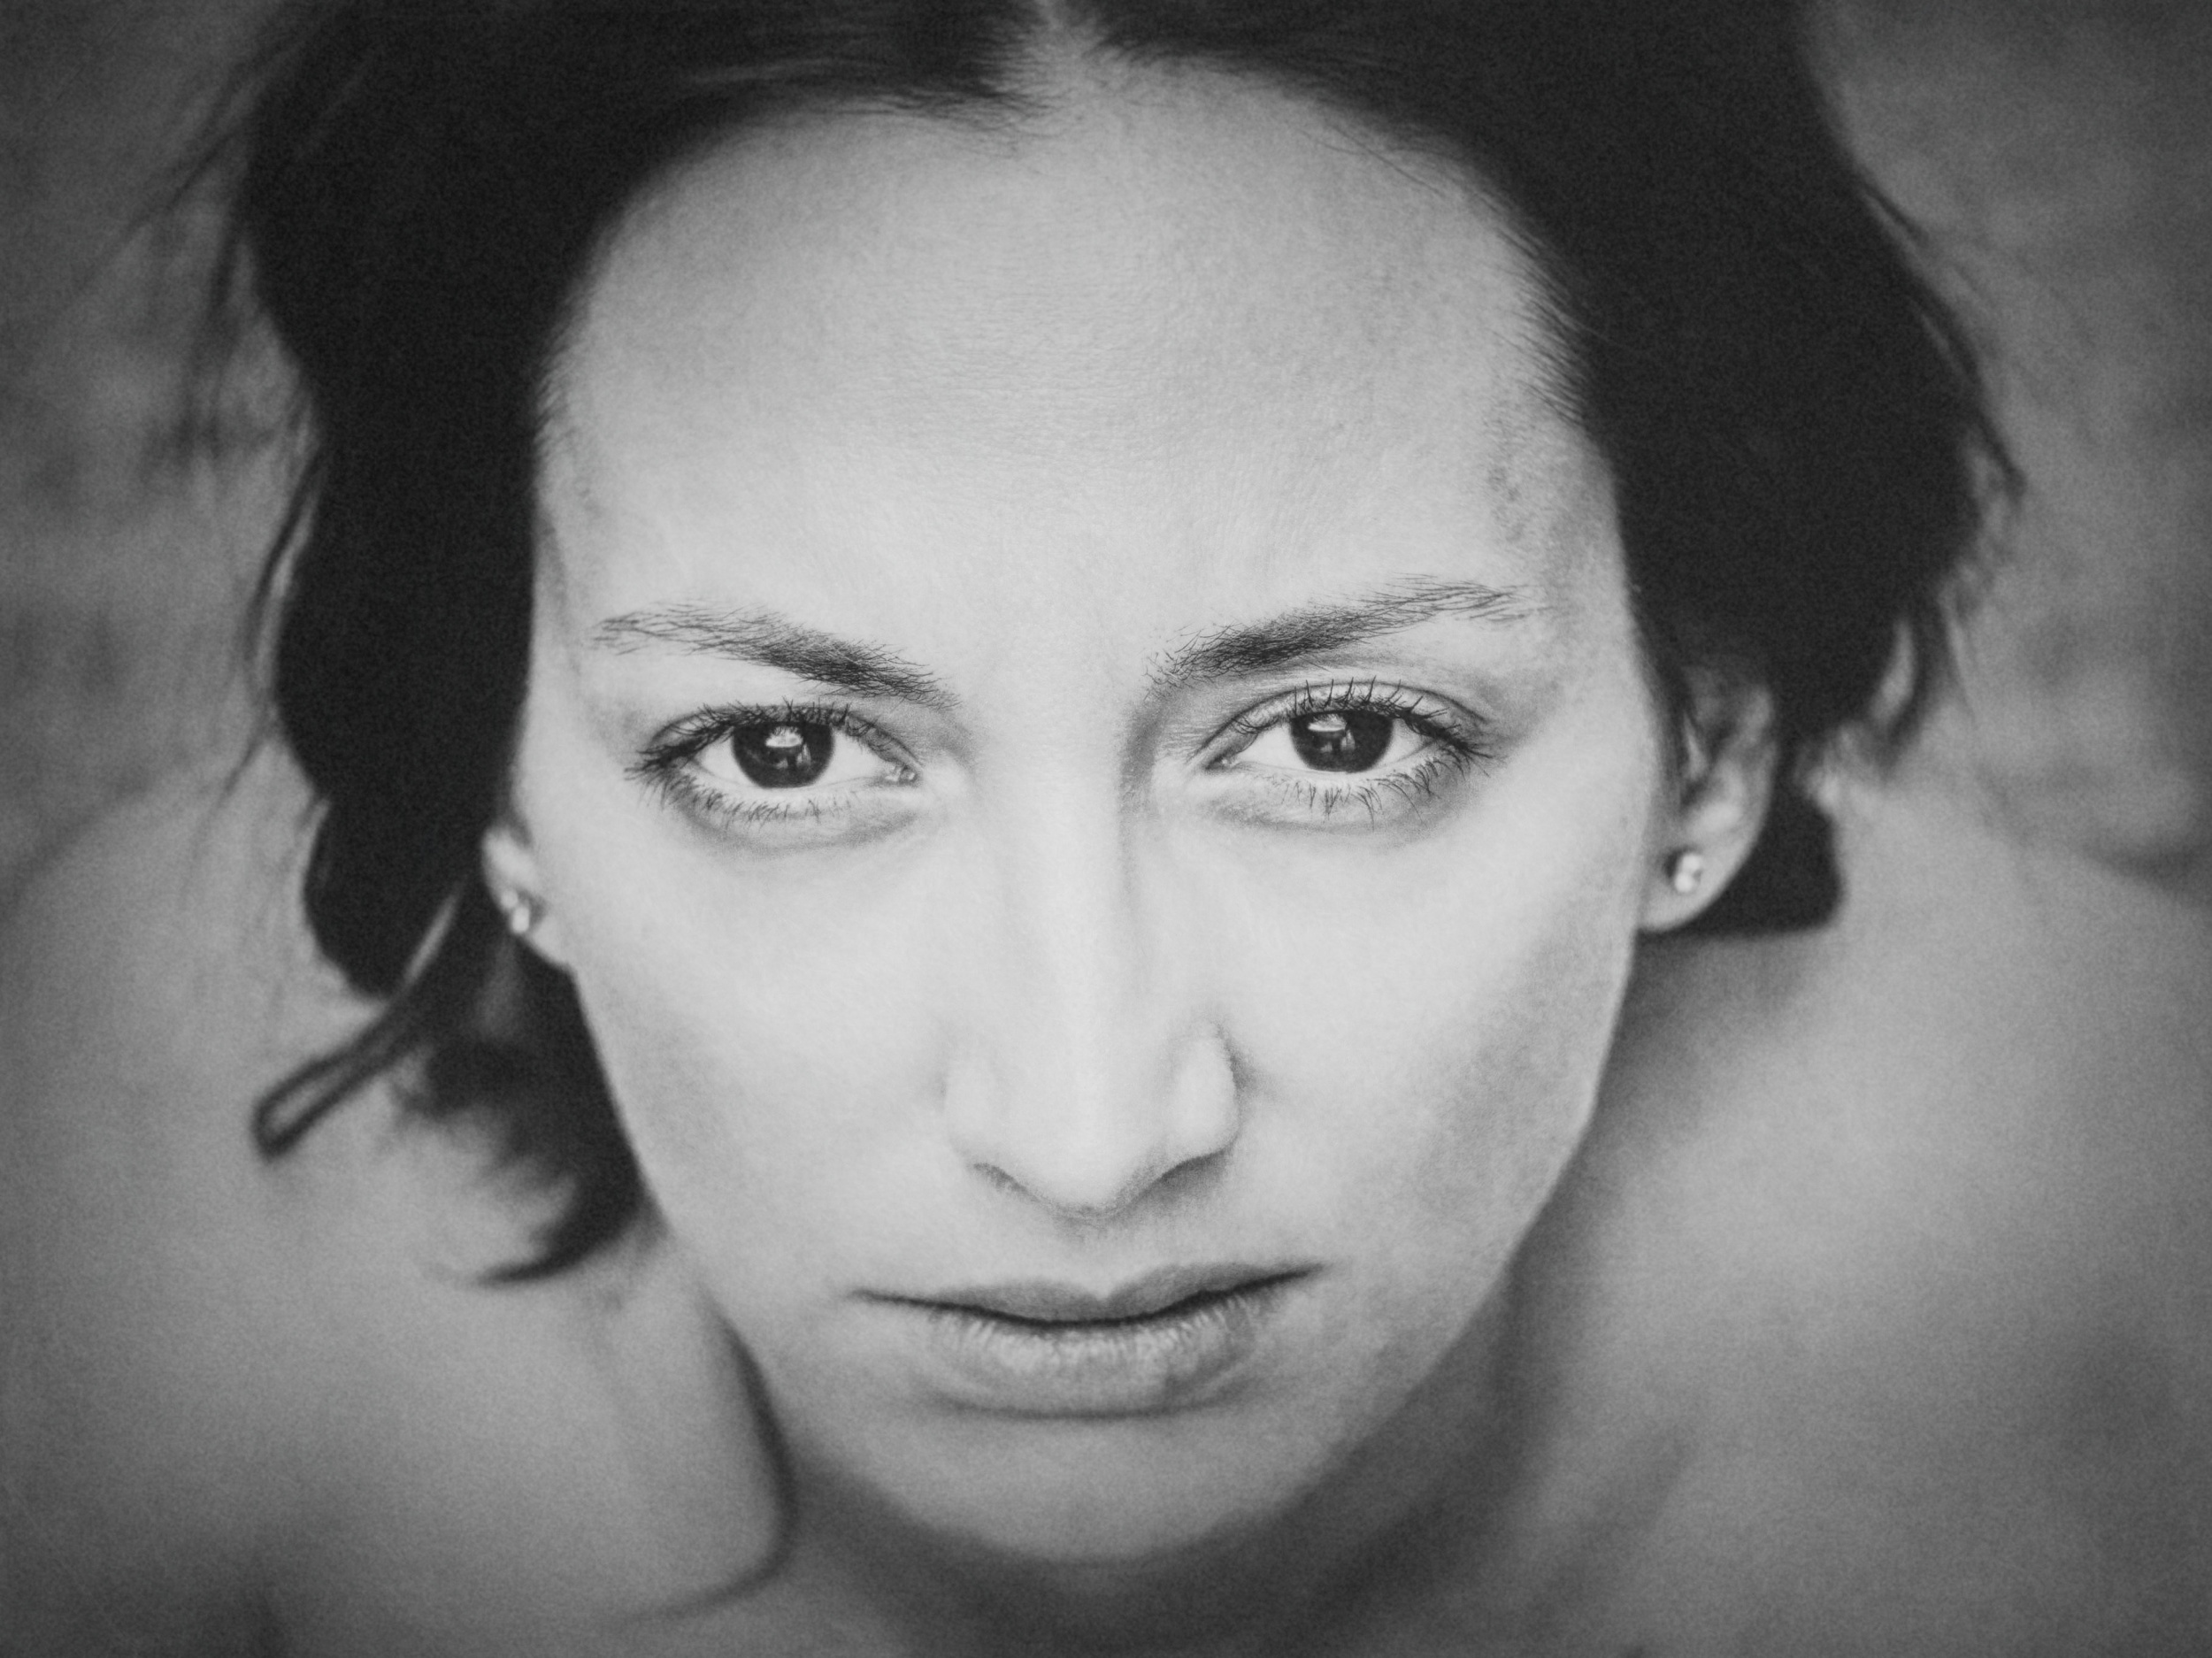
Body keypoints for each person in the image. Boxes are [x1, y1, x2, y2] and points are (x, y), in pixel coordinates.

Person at [5, 0, 2210, 1653]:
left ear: (1707, 749)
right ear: (494, 789)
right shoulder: (129, 1259)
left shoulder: (2133, 1258)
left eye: (1341, 736)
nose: (1086, 1140)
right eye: (780, 755)